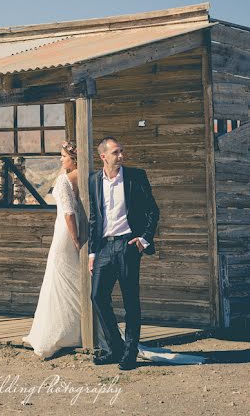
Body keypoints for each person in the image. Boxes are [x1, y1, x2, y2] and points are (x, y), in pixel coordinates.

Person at [88, 136, 160, 370]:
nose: (121, 156)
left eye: (122, 151)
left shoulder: (135, 177)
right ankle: (115, 348)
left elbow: (152, 211)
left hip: (128, 245)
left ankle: (130, 352)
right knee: (97, 297)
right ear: (104, 157)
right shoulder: (94, 180)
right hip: (104, 247)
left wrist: (144, 239)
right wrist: (91, 253)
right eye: (116, 152)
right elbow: (94, 218)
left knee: (130, 300)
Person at [22, 141, 83, 358]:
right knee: (74, 280)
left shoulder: (64, 180)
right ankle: (78, 330)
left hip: (65, 234)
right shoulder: (86, 178)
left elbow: (68, 213)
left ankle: (56, 334)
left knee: (59, 279)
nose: (60, 159)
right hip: (77, 231)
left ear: (73, 159)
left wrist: (75, 239)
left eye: (63, 156)